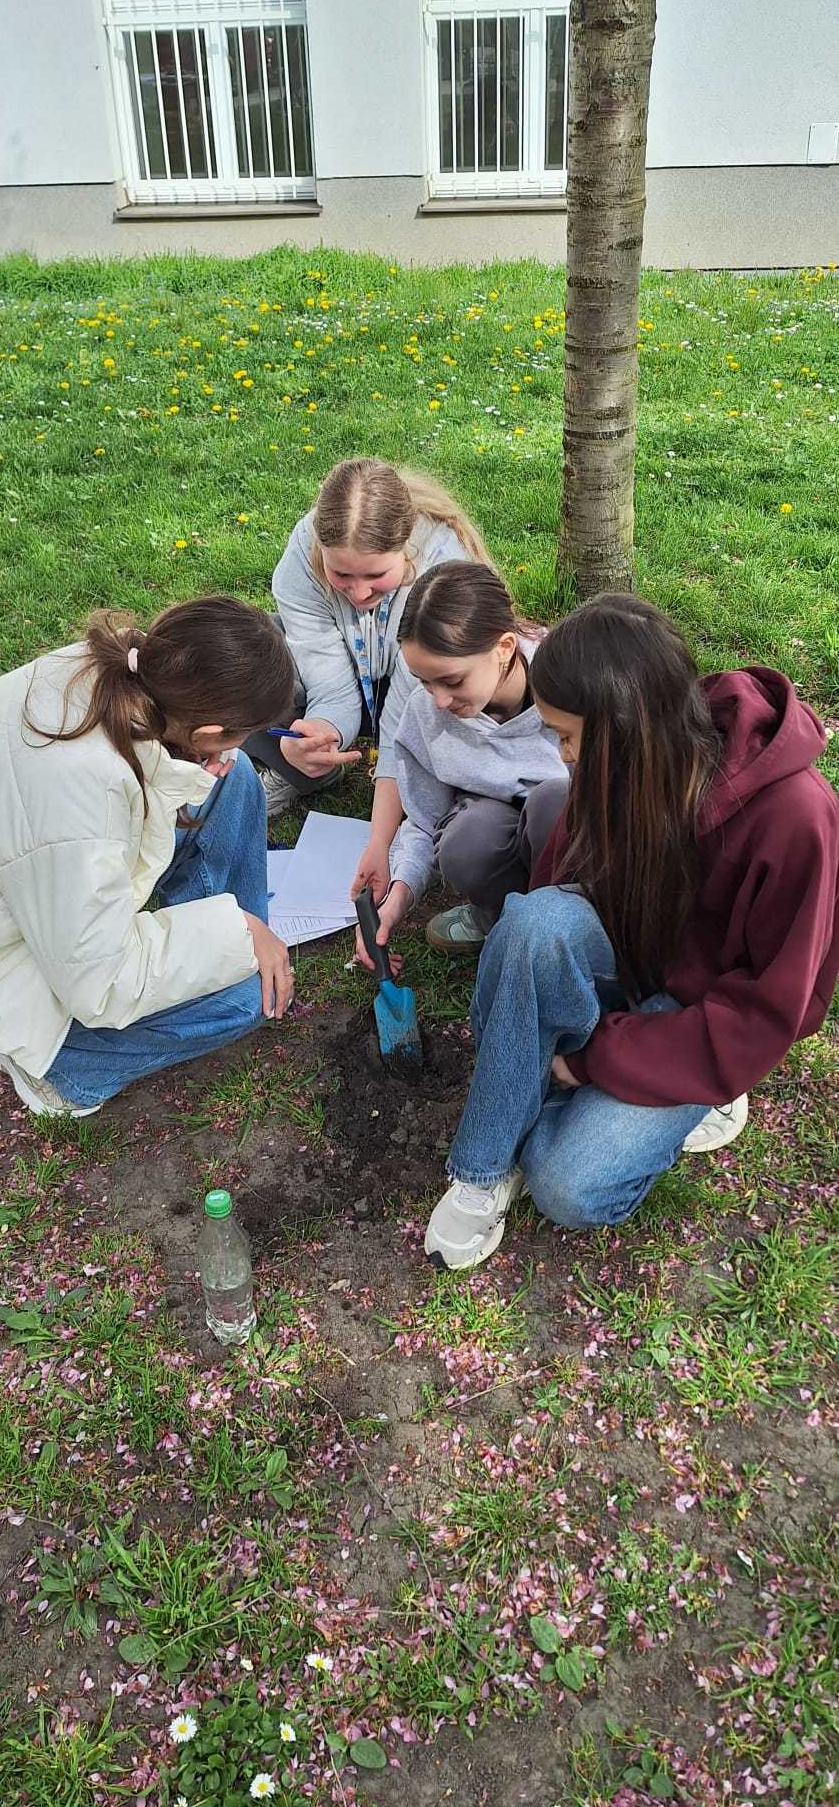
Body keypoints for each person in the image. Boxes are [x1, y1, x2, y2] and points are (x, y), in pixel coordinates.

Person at [424, 593, 839, 1272]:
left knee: (569, 1189)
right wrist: (541, 988)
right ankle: (482, 1168)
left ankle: (684, 1095)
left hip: (708, 1018)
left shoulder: (798, 818)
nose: (561, 755)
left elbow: (764, 1013)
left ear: (625, 725)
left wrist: (587, 1060)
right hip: (630, 955)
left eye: (566, 734)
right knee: (533, 923)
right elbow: (552, 897)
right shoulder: (620, 761)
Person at [0, 598, 297, 1119]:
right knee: (241, 1001)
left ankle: (252, 958)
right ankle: (65, 1074)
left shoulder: (126, 671)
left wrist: (235, 934)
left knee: (235, 777)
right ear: (203, 733)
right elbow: (100, 985)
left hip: (39, 894)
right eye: (234, 735)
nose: (230, 747)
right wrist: (236, 931)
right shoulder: (76, 796)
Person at [242, 457, 493, 903]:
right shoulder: (302, 556)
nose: (358, 594)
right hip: (354, 671)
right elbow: (328, 681)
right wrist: (323, 731)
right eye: (341, 576)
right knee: (247, 657)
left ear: (407, 551)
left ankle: (425, 801)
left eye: (377, 576)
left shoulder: (441, 568)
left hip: (423, 688)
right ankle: (308, 769)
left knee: (438, 720)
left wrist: (379, 841)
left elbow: (405, 714)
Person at [353, 562, 569, 970]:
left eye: (452, 681)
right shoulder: (426, 714)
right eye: (423, 682)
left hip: (575, 837)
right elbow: (424, 819)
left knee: (551, 805)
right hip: (494, 824)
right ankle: (497, 918)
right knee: (466, 842)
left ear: (504, 648)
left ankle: (569, 927)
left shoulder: (573, 681)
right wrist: (397, 899)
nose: (438, 701)